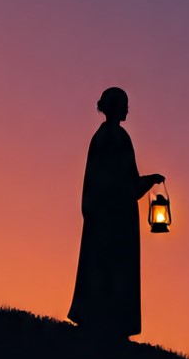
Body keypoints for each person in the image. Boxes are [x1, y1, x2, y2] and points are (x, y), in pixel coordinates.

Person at [67, 87, 164, 339]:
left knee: (101, 267)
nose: (127, 109)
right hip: (114, 220)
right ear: (115, 107)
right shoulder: (116, 138)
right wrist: (148, 181)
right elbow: (124, 184)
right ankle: (111, 322)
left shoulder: (102, 137)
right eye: (124, 104)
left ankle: (99, 319)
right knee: (113, 269)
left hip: (103, 216)